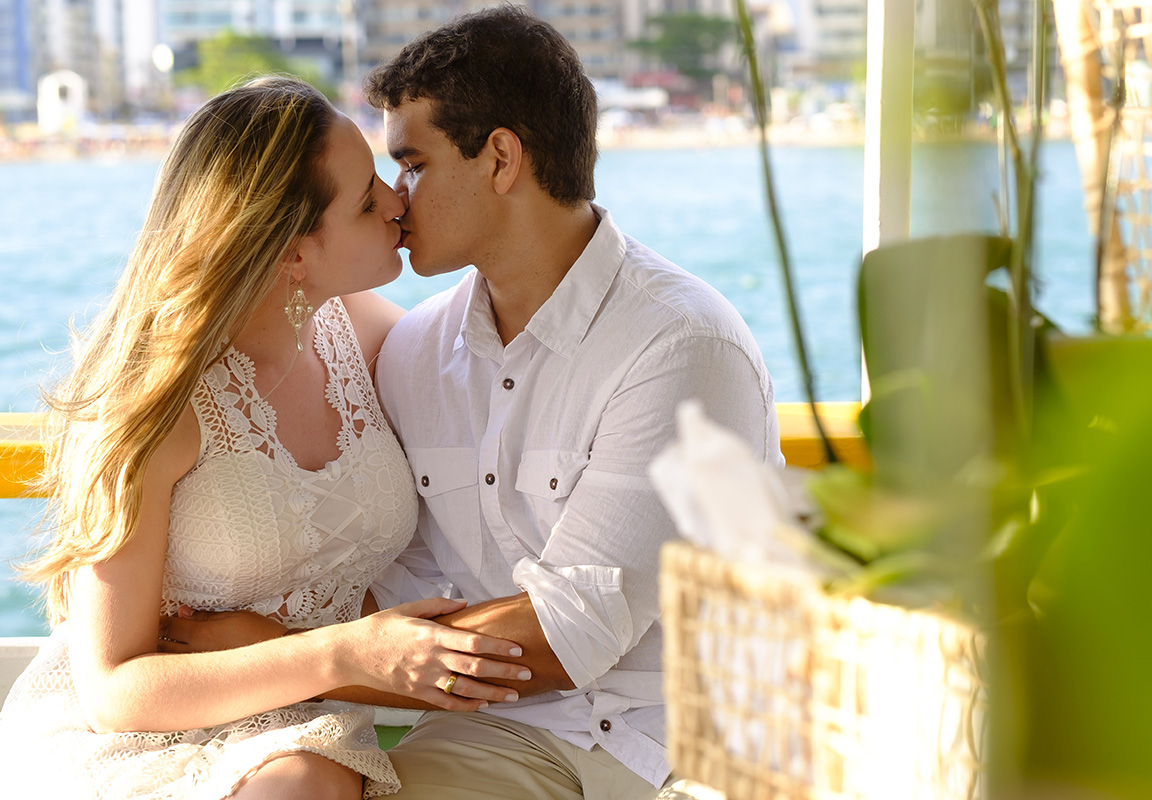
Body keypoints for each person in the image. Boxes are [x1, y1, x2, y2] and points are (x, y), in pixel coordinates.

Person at [163, 6, 784, 798]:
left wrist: (275, 651)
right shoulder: (415, 352)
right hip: (493, 731)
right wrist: (270, 651)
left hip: (688, 743)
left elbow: (566, 631)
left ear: (499, 159)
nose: (395, 199)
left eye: (413, 164)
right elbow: (400, 583)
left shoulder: (681, 347)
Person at [0, 76, 531, 799]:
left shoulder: (371, 338)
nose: (396, 203)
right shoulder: (156, 402)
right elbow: (113, 692)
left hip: (306, 725)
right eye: (365, 200)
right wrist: (343, 653)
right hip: (139, 736)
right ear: (291, 253)